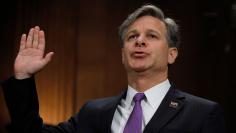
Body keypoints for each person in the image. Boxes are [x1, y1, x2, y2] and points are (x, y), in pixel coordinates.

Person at [1, 4, 225, 133]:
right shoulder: (94, 113)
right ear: (122, 54)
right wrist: (23, 78)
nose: (139, 41)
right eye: (132, 36)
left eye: (152, 36)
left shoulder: (202, 114)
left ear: (171, 54)